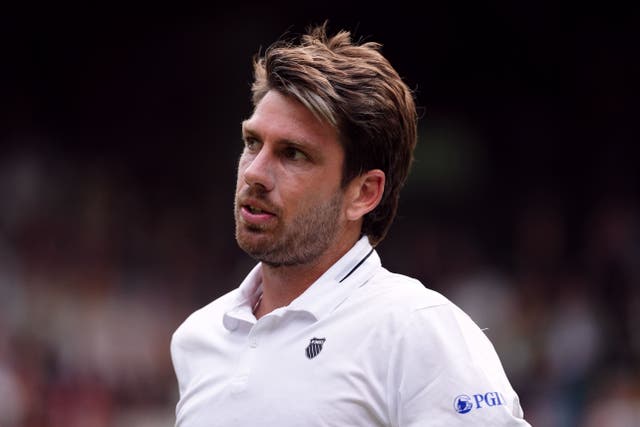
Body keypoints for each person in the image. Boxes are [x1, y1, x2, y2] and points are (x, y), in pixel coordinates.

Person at [170, 22, 530, 426]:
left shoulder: (417, 330)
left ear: (363, 193)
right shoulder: (196, 339)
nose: (255, 172)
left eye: (293, 154)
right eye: (253, 143)